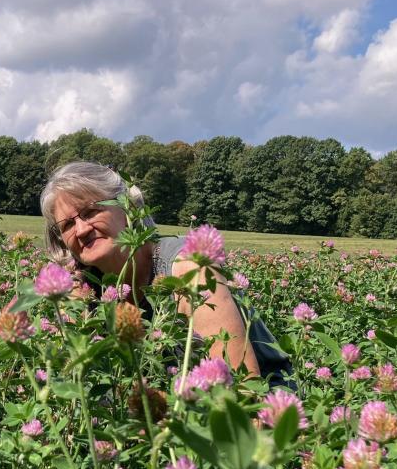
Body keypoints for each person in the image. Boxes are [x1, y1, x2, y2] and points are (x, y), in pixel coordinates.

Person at [41, 161, 293, 387]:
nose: (82, 229)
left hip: (262, 407)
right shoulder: (82, 287)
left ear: (127, 208)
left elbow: (241, 386)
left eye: (90, 212)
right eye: (67, 225)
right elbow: (70, 382)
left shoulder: (187, 266)